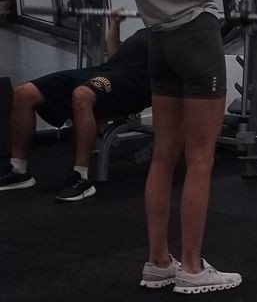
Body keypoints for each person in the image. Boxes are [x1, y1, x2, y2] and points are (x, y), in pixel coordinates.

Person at [109, 0, 240, 293]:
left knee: (164, 157)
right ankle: (191, 268)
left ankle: (158, 261)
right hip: (196, 39)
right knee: (201, 159)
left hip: (158, 43)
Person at [0, 11, 151, 201]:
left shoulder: (175, 37)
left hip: (132, 85)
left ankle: (81, 178)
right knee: (24, 92)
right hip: (105, 72)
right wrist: (114, 23)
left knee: (82, 95)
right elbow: (115, 55)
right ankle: (19, 171)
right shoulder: (144, 31)